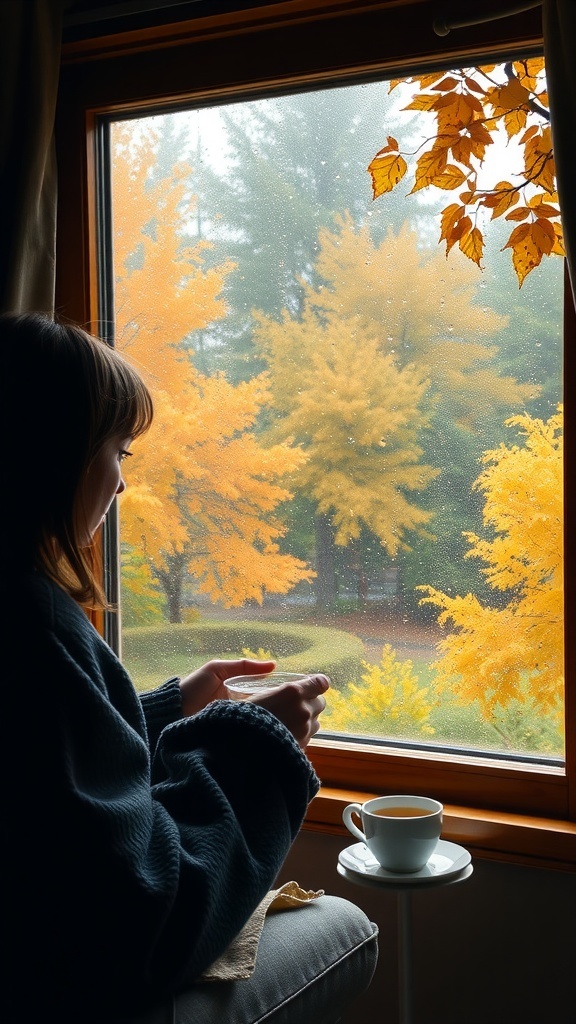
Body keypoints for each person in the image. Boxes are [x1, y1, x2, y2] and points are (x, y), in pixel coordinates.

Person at [0, 312, 377, 1024]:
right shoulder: (35, 626)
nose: (118, 485)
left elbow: (46, 774)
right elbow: (147, 915)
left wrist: (166, 711)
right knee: (346, 925)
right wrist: (252, 746)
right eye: (117, 450)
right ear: (54, 456)